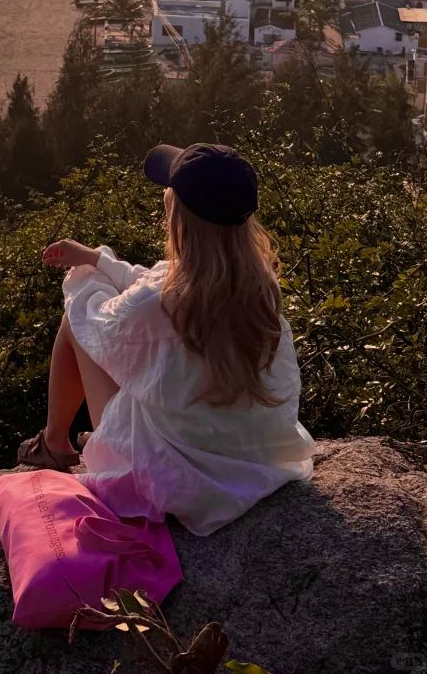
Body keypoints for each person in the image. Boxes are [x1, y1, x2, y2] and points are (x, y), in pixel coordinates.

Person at [17, 143, 314, 536]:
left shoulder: (162, 301)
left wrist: (86, 273)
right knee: (110, 316)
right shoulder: (259, 287)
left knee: (78, 319)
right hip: (255, 457)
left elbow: (96, 321)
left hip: (179, 475)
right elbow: (151, 284)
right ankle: (68, 440)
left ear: (180, 219)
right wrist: (96, 257)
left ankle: (55, 443)